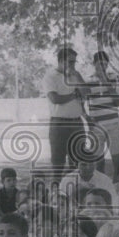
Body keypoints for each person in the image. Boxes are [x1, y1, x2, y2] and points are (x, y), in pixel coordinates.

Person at [43, 46, 87, 181]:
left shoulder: (75, 75)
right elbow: (55, 99)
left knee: (78, 162)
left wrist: (78, 77)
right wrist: (74, 94)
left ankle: (75, 195)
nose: (73, 65)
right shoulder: (50, 76)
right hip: (59, 123)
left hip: (77, 122)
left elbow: (87, 93)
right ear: (61, 61)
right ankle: (56, 195)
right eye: (70, 62)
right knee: (58, 163)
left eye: (74, 62)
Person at [85, 50, 119, 177]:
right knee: (98, 160)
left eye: (105, 64)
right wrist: (87, 118)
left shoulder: (114, 78)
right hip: (96, 125)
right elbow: (81, 102)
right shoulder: (88, 80)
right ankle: (99, 184)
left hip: (113, 124)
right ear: (94, 64)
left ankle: (118, 184)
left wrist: (107, 82)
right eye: (99, 64)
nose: (102, 66)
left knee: (118, 158)